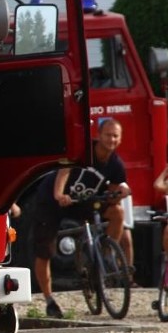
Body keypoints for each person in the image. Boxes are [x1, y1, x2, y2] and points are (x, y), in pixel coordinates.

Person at [31, 118, 131, 318]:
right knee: (45, 251)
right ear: (99, 135)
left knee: (117, 212)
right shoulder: (84, 152)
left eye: (115, 136)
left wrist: (121, 192)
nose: (111, 139)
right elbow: (64, 172)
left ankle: (106, 255)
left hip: (85, 201)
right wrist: (59, 195)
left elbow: (113, 195)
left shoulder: (116, 164)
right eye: (108, 135)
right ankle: (49, 300)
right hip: (54, 200)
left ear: (120, 139)